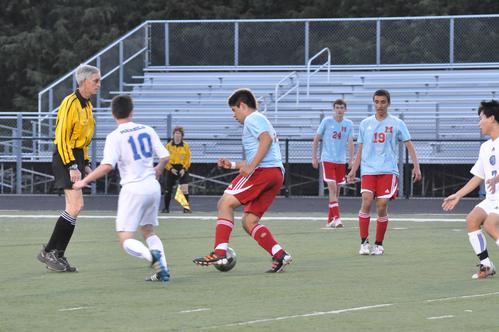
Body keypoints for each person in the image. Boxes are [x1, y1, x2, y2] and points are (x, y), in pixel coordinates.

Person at [193, 88, 292, 273]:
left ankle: (220, 252)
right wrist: (231, 164)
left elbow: (266, 140)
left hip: (263, 171)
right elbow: (262, 151)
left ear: (242, 106)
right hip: (275, 174)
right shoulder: (261, 120)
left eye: (234, 110)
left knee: (225, 203)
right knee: (249, 222)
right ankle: (280, 255)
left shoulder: (252, 119)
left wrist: (252, 165)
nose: (234, 115)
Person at [73, 95, 171, 282]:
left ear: (113, 114)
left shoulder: (115, 136)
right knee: (148, 230)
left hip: (133, 188)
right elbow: (165, 156)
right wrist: (158, 168)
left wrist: (84, 181)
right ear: (132, 111)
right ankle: (162, 271)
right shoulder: (147, 129)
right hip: (152, 186)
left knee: (125, 237)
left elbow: (107, 165)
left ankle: (152, 258)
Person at [37, 64, 101, 272]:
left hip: (77, 157)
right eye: (96, 81)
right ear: (83, 82)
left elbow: (84, 140)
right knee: (75, 206)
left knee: (75, 207)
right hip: (66, 157)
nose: (99, 84)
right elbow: (62, 137)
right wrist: (73, 165)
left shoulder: (87, 105)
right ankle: (50, 252)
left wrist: (87, 163)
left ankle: (56, 254)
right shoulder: (69, 103)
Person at [347, 89, 421, 256]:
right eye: (377, 102)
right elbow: (361, 148)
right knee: (366, 201)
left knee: (381, 206)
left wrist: (416, 166)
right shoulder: (365, 124)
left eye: (383, 102)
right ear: (373, 103)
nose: (379, 105)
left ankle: (378, 244)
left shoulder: (397, 123)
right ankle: (364, 242)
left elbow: (409, 144)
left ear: (388, 103)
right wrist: (353, 169)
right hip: (368, 170)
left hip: (388, 170)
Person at [442, 100, 499, 279]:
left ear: (492, 118)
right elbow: (478, 177)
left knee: (490, 224)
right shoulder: (485, 147)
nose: (479, 123)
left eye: (481, 118)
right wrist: (458, 195)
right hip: (492, 198)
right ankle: (486, 265)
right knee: (472, 219)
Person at [312, 99, 354, 228]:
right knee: (332, 187)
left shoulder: (348, 124)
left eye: (342, 107)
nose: (339, 110)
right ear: (333, 109)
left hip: (341, 161)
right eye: (337, 107)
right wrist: (314, 157)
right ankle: (337, 218)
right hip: (328, 159)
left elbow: (351, 142)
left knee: (337, 191)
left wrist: (351, 159)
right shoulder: (327, 121)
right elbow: (316, 140)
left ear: (345, 109)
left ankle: (330, 219)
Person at [162, 126, 192, 213]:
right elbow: (165, 159)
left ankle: (186, 208)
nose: (177, 135)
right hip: (171, 168)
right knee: (168, 189)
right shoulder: (168, 146)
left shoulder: (186, 146)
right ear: (173, 135)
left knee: (184, 189)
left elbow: (188, 159)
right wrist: (170, 168)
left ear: (182, 136)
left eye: (179, 133)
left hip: (182, 168)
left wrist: (184, 168)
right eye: (176, 133)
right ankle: (166, 208)